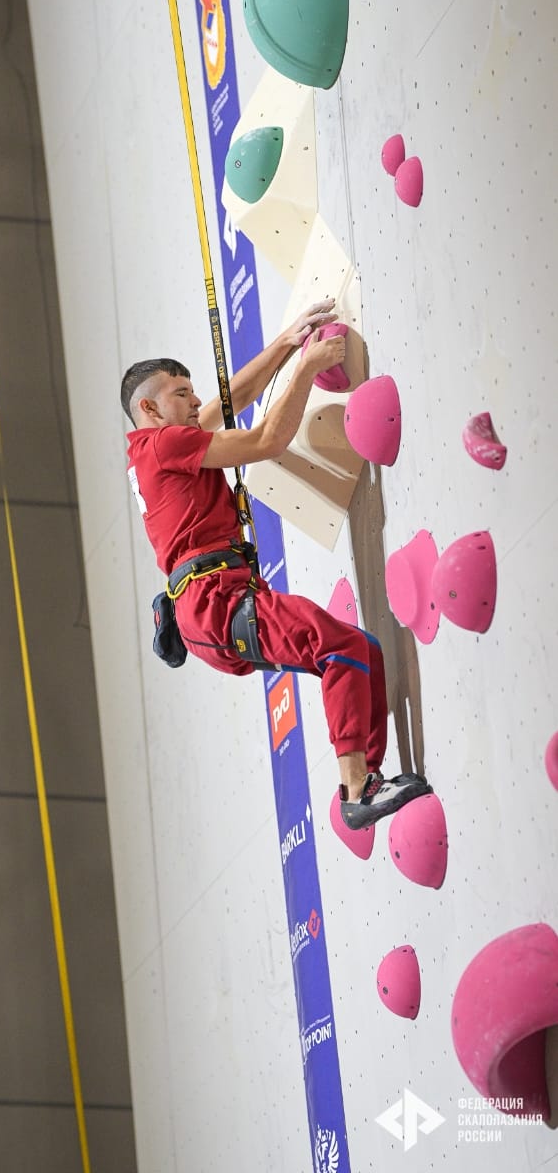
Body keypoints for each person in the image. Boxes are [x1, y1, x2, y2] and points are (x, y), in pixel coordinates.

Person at [120, 298, 431, 830]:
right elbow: (266, 440)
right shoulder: (162, 444)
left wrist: (287, 343)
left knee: (364, 655)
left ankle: (367, 779)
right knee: (342, 648)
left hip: (213, 604)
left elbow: (230, 399)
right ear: (150, 409)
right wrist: (308, 366)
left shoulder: (158, 447)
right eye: (181, 394)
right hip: (214, 602)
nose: (195, 401)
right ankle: (356, 788)